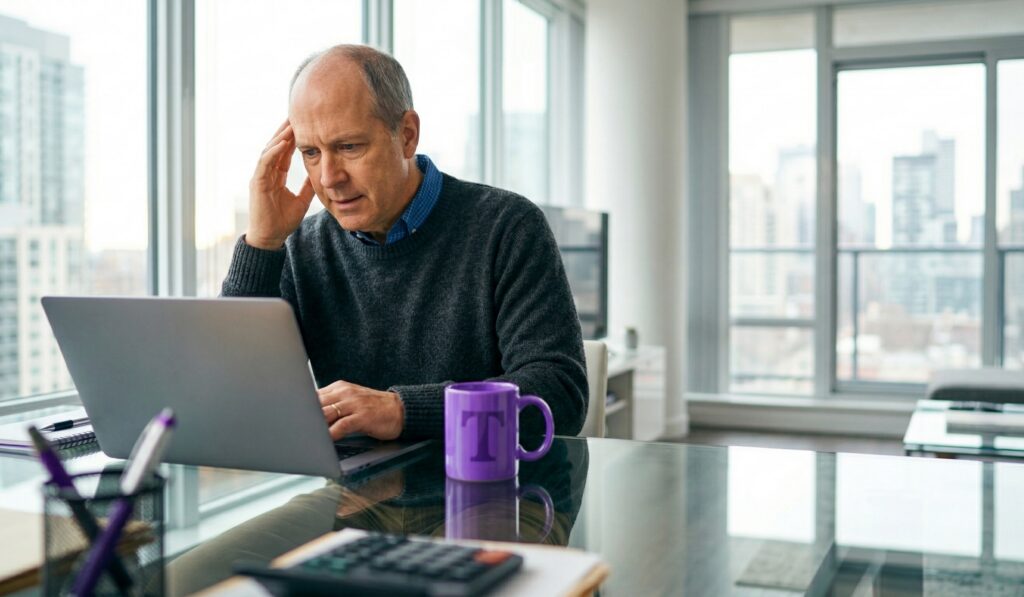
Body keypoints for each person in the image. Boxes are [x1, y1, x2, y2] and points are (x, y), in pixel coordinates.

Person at [221, 44, 586, 442]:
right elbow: (231, 393)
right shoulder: (302, 248)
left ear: (407, 135)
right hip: (352, 496)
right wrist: (262, 243)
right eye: (311, 152)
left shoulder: (507, 227)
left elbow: (559, 394)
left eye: (348, 147)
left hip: (489, 492)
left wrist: (403, 411)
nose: (328, 177)